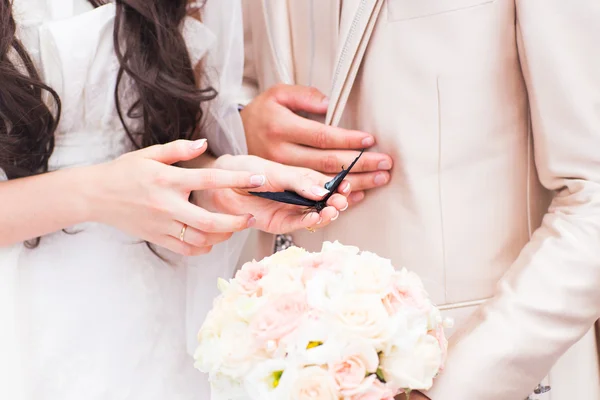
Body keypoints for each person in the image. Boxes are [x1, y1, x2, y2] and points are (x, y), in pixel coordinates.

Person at [240, 0, 600, 398]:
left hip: (483, 374)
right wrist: (241, 125)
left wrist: (454, 389)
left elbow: (593, 194)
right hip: (282, 362)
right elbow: (226, 76)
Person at [0, 0, 349, 399]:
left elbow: (173, 139)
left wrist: (219, 183)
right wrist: (96, 193)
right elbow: (121, 185)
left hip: (152, 300)